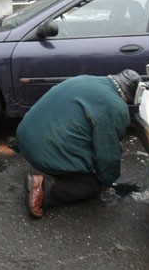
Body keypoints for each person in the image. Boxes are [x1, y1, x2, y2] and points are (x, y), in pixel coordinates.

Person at [16, 69, 141, 218]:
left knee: (84, 143)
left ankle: (59, 168)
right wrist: (106, 180)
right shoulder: (114, 106)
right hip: (43, 150)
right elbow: (107, 153)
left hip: (25, 136)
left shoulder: (88, 79)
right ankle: (44, 189)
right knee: (89, 187)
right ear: (128, 96)